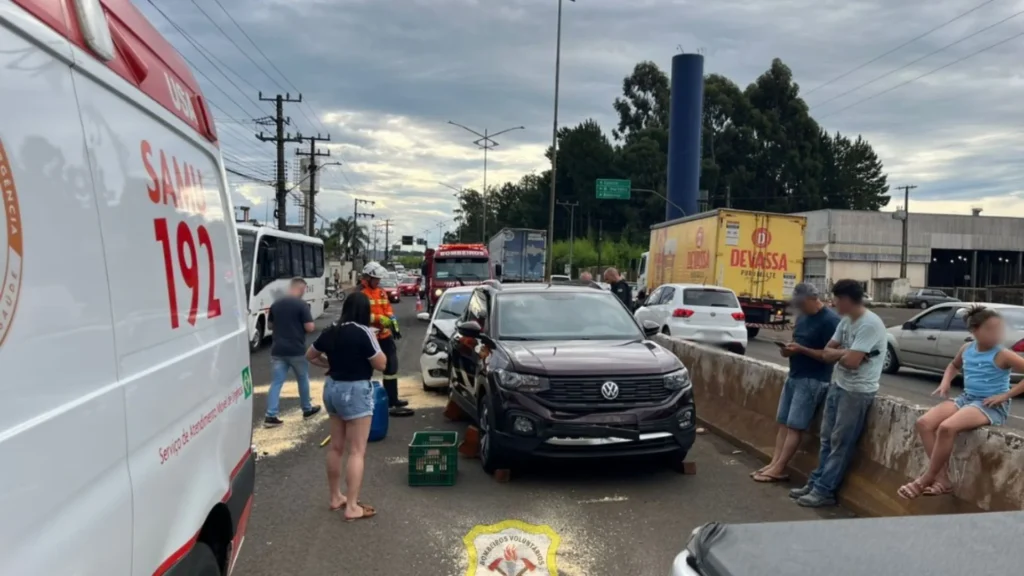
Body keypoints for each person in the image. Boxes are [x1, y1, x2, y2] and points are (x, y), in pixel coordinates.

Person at [898, 306, 1024, 499]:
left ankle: (926, 478)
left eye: (998, 330)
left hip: (989, 405)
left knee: (947, 428)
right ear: (974, 331)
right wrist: (945, 381)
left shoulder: (1003, 354)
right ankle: (942, 479)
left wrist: (1006, 395)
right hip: (967, 398)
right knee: (924, 423)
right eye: (990, 329)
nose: (996, 334)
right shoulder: (967, 349)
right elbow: (953, 365)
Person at [789, 279, 886, 507]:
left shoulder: (869, 324)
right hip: (839, 385)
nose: (833, 303)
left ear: (846, 300)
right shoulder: (846, 321)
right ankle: (816, 482)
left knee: (841, 443)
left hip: (857, 391)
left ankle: (825, 491)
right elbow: (826, 353)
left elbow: (851, 362)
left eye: (836, 299)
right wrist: (847, 353)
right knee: (826, 439)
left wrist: (843, 355)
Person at [751, 283, 839, 483]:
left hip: (813, 379)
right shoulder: (802, 317)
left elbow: (829, 356)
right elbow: (796, 341)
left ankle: (781, 467)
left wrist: (802, 350)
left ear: (812, 300)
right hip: (795, 375)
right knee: (783, 423)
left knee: (795, 426)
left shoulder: (830, 321)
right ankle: (774, 464)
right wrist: (787, 350)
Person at [306, 292, 383, 521]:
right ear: (364, 311)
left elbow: (310, 355)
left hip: (332, 388)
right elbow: (381, 363)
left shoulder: (332, 329)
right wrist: (376, 341)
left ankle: (335, 497)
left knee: (336, 447)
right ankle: (351, 506)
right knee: (357, 450)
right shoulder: (364, 332)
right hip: (356, 390)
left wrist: (328, 364)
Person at [265, 278, 322, 427]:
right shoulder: (301, 305)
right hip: (296, 350)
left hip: (278, 350)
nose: (303, 292)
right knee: (302, 379)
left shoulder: (276, 305)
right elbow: (310, 327)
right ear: (299, 288)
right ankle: (307, 409)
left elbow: (270, 326)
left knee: (276, 382)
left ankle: (271, 415)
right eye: (303, 289)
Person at [360, 262, 414, 417]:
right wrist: (379, 319)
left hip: (384, 335)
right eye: (375, 279)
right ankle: (365, 401)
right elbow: (362, 315)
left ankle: (392, 399)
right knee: (366, 369)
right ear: (368, 278)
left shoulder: (381, 292)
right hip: (369, 336)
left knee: (391, 367)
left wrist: (393, 321)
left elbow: (388, 309)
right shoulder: (361, 294)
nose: (378, 282)